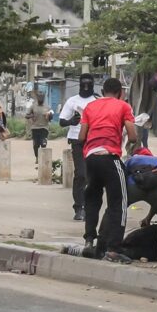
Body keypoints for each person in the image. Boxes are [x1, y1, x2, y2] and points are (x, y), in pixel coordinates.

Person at [78, 77, 137, 263]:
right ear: (120, 92)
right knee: (118, 202)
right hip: (110, 157)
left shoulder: (90, 107)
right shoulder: (123, 106)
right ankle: (114, 248)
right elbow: (133, 136)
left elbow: (81, 137)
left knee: (92, 199)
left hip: (91, 158)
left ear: (103, 91)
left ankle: (89, 240)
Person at [59, 74, 99, 221]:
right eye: (84, 84)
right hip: (77, 140)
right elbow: (62, 121)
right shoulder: (72, 101)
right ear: (80, 85)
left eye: (89, 84)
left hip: (94, 140)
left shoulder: (97, 101)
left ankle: (91, 206)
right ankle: (79, 207)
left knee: (93, 175)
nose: (86, 87)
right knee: (81, 174)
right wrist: (72, 121)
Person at [126, 147, 157, 263]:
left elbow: (123, 175)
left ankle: (112, 245)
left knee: (118, 210)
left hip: (134, 187)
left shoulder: (131, 160)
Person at [25, 92, 52, 165]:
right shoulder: (33, 106)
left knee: (43, 143)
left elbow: (51, 118)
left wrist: (49, 116)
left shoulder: (47, 107)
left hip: (44, 128)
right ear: (37, 98)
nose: (40, 99)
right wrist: (31, 116)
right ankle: (37, 157)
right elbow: (26, 116)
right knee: (36, 145)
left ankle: (43, 158)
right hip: (35, 128)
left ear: (44, 98)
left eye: (42, 97)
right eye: (39, 97)